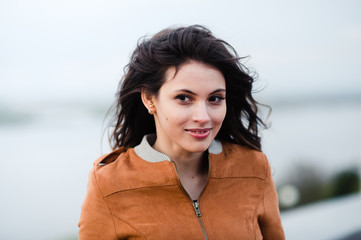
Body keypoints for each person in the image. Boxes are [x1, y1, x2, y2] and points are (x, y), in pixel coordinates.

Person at [78, 25, 285, 240]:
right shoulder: (109, 183)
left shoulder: (254, 168)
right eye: (184, 98)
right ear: (149, 99)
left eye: (215, 98)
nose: (203, 117)